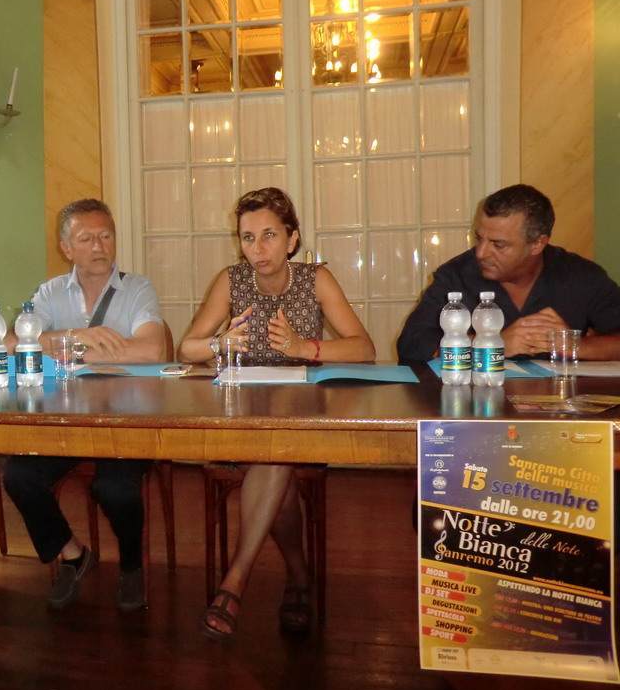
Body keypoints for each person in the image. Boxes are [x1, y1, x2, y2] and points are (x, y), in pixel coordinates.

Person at [177, 188, 374, 641]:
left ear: (292, 239)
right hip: (240, 417)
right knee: (274, 457)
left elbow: (363, 348)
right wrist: (219, 344)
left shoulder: (315, 279)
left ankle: (235, 581)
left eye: (269, 235)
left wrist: (306, 348)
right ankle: (299, 577)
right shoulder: (231, 280)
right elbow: (186, 348)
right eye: (248, 238)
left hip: (302, 419)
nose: (258, 248)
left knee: (276, 449)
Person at [2, 199, 166, 612]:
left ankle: (131, 566)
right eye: (87, 238)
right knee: (19, 474)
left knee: (114, 487)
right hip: (65, 420)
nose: (99, 246)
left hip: (126, 420)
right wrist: (77, 335)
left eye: (106, 236)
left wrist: (67, 350)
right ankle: (74, 554)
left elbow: (151, 349)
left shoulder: (137, 288)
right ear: (66, 248)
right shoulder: (50, 292)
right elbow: (10, 343)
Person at [397, 184, 620, 363]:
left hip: (562, 400)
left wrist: (573, 345)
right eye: (479, 239)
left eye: (498, 245)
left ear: (537, 244)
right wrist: (492, 343)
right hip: (476, 400)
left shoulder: (580, 276)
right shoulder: (456, 275)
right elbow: (411, 345)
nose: (481, 253)